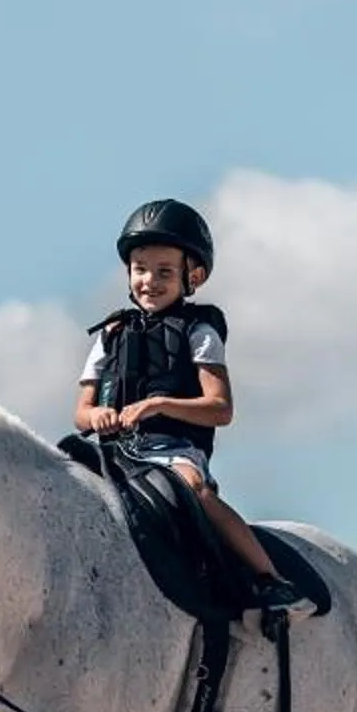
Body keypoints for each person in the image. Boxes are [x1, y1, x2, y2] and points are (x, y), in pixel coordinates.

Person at [75, 198, 310, 620]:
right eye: (141, 269)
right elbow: (82, 412)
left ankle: (269, 578)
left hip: (172, 450)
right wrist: (99, 417)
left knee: (194, 492)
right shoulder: (110, 336)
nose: (150, 281)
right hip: (114, 452)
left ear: (193, 276)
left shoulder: (198, 331)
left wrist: (158, 404)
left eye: (165, 272)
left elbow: (220, 408)